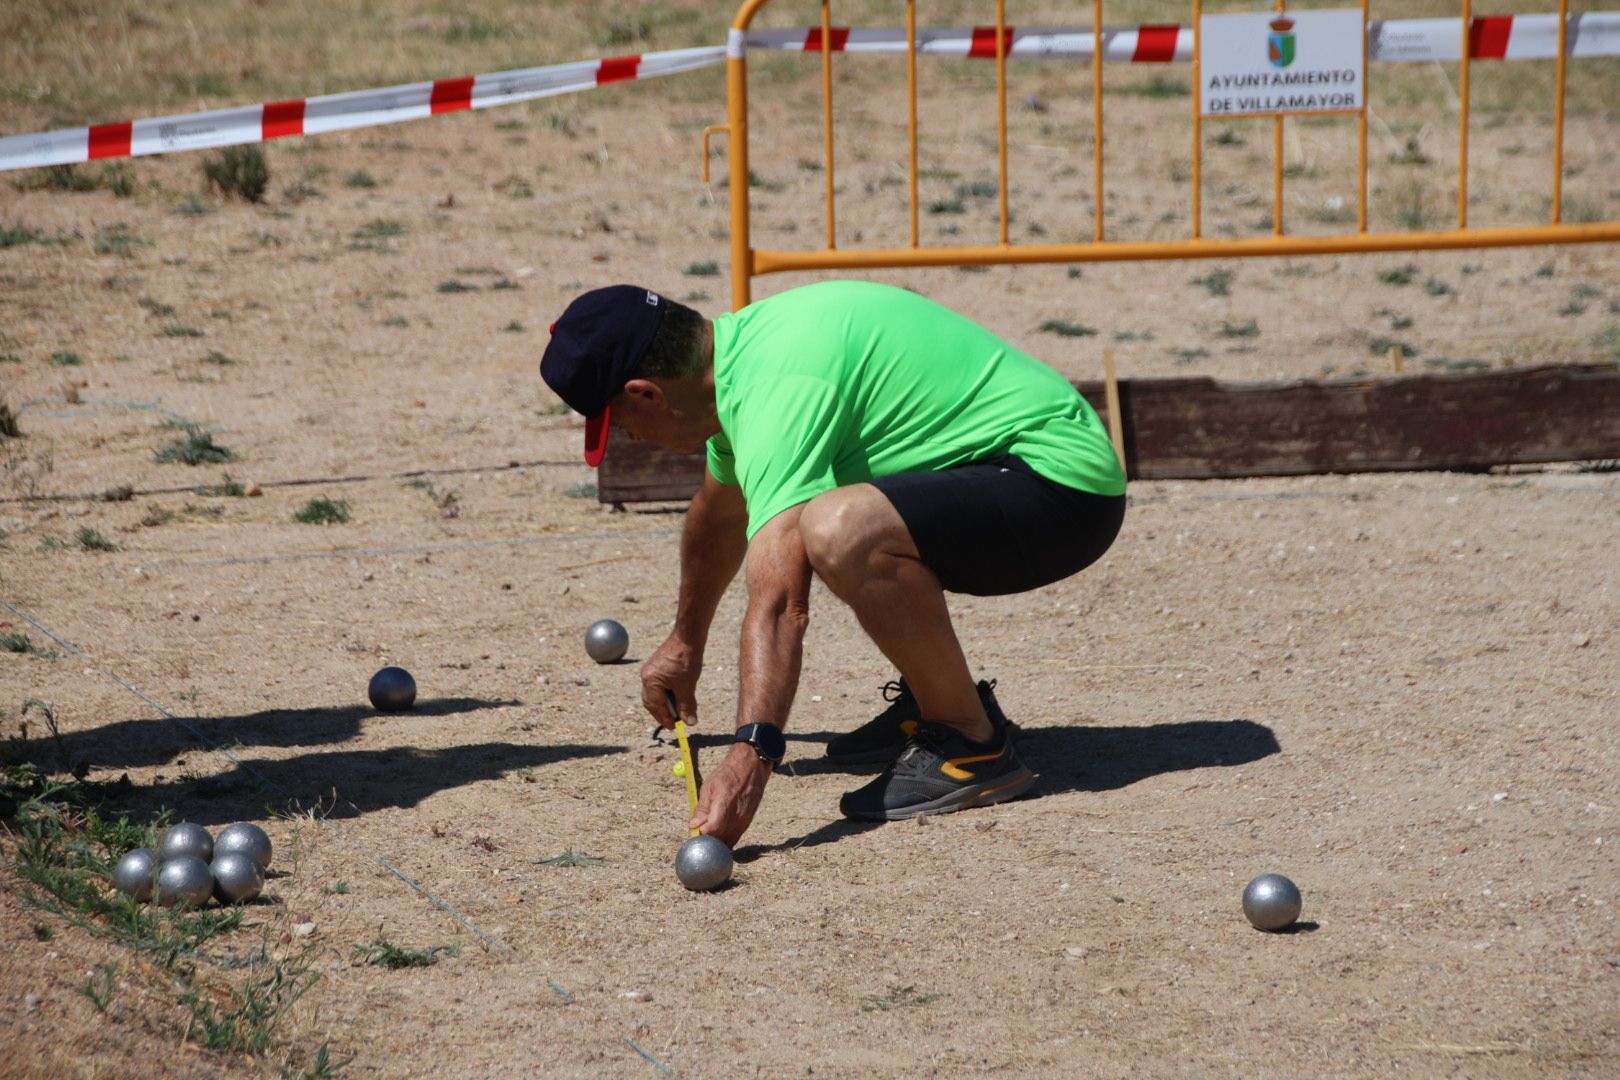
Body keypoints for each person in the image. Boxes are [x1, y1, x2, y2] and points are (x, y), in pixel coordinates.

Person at [540, 280, 1125, 848]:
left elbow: (777, 602)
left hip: (1061, 492)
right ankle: (936, 697)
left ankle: (970, 744)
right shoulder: (740, 363)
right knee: (836, 519)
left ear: (646, 393)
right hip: (1005, 472)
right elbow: (717, 518)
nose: (628, 441)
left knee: (838, 528)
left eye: (617, 425)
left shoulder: (780, 387)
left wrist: (751, 754)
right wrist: (684, 641)